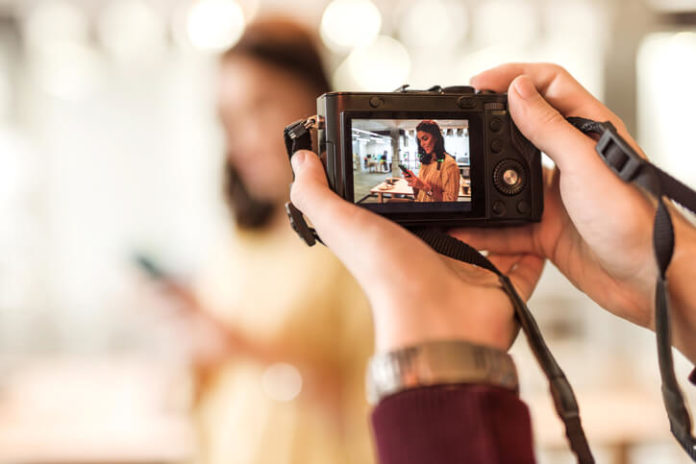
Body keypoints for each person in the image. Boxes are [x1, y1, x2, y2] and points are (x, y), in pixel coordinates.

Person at [288, 63, 696, 462]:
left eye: (428, 140)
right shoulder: (428, 163)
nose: (425, 145)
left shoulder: (446, 163)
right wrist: (668, 266)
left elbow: (441, 193)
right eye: (422, 141)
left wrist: (434, 349)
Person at [158, 18, 374, 464]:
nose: (242, 140)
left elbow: (369, 408)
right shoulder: (238, 243)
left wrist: (241, 347)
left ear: (316, 104)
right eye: (229, 119)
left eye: (260, 106)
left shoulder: (357, 241)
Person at [405, 120, 460, 202]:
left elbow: (450, 201)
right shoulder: (425, 161)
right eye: (420, 140)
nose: (422, 144)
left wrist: (425, 187)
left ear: (436, 137)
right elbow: (419, 194)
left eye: (425, 138)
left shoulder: (449, 164)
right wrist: (414, 183)